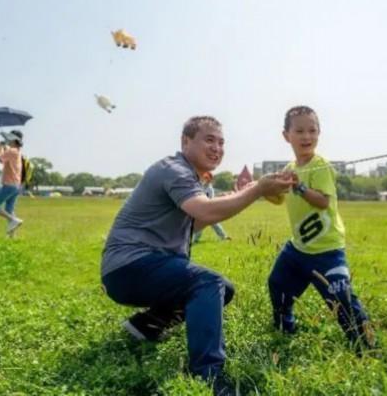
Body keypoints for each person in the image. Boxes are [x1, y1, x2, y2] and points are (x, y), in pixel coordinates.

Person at [100, 116, 293, 395]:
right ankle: (208, 374)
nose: (217, 148)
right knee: (207, 282)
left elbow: (194, 224)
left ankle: (145, 326)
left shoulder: (188, 175)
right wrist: (258, 190)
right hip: (129, 266)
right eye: (209, 140)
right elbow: (206, 212)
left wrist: (251, 191)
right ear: (185, 142)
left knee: (222, 290)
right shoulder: (175, 170)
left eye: (221, 142)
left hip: (136, 268)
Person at [266, 106, 375, 355]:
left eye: (312, 130)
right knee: (278, 283)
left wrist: (301, 188)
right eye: (300, 131)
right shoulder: (289, 169)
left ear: (319, 133)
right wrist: (264, 191)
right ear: (286, 136)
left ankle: (365, 345)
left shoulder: (320, 165)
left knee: (342, 300)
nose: (307, 137)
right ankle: (284, 326)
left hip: (327, 249)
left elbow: (324, 201)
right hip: (298, 249)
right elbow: (279, 198)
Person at [192, 172, 231, 243]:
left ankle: (224, 237)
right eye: (204, 177)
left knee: (214, 224)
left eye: (207, 178)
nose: (205, 179)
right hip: (201, 208)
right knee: (201, 224)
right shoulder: (201, 186)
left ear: (210, 179)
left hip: (208, 208)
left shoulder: (210, 189)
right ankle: (196, 239)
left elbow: (211, 199)